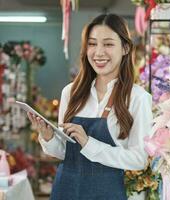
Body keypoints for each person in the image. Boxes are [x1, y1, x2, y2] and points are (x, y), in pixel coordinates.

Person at [27, 13, 153, 200]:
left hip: (107, 193)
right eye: (92, 44)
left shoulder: (137, 98)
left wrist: (89, 143)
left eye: (108, 44)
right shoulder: (71, 92)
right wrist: (48, 137)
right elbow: (65, 152)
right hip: (65, 190)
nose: (98, 52)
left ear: (125, 48)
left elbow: (138, 159)